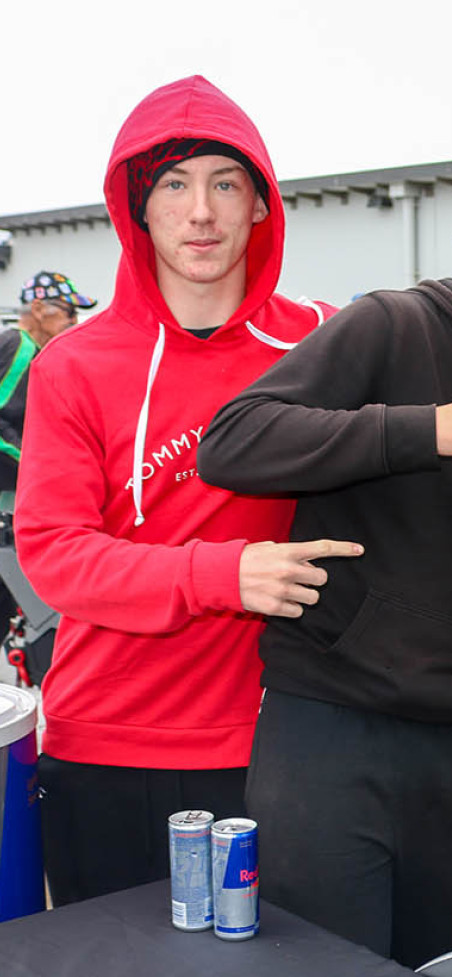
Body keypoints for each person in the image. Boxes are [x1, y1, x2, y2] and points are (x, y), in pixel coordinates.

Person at [197, 150, 452, 968]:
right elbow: (232, 441)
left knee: (449, 961)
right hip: (331, 727)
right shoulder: (391, 323)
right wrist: (422, 428)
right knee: (325, 961)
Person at [12, 76, 364, 907]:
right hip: (105, 748)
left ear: (259, 206)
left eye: (224, 183)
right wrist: (221, 573)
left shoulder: (319, 339)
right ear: (138, 205)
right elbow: (55, 555)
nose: (200, 212)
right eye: (174, 183)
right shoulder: (74, 364)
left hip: (279, 746)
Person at [1, 272, 95, 503]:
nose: (73, 320)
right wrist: (38, 471)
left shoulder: (29, 349)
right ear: (38, 308)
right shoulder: (22, 349)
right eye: (69, 311)